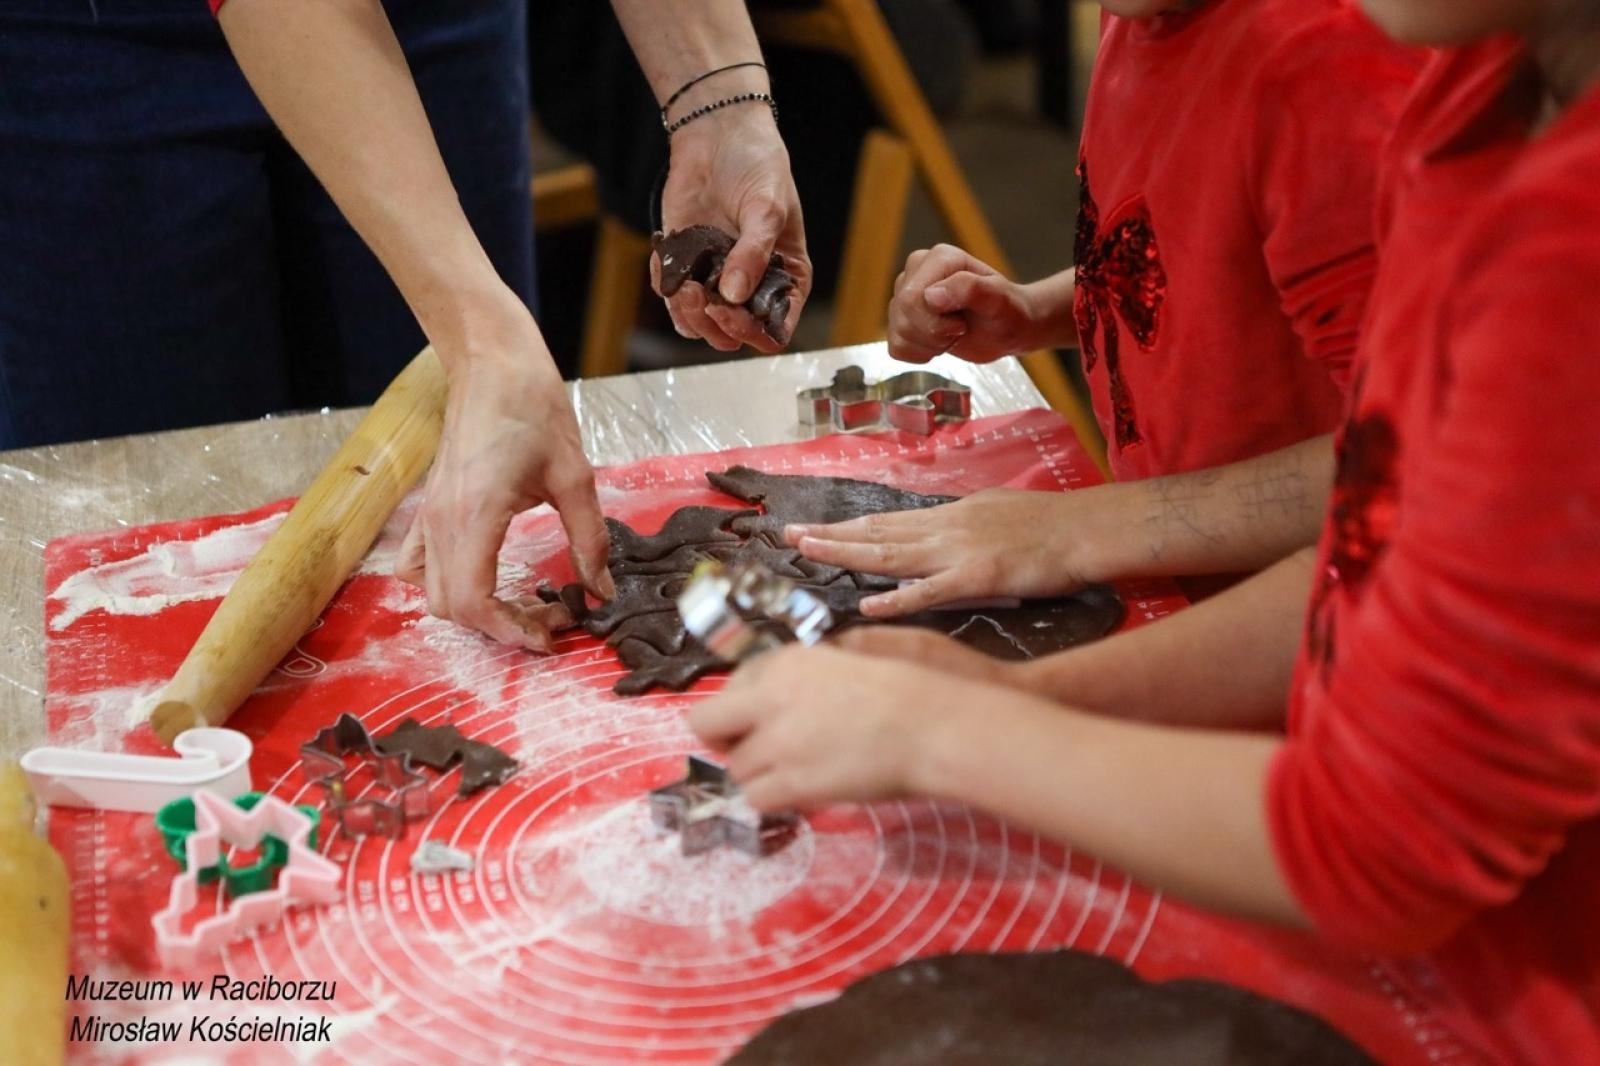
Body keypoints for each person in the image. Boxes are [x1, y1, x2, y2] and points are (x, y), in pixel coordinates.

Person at [689, 1, 1600, 1061]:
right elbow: (1370, 554)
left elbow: (1388, 840)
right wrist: (1011, 698)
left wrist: (945, 731)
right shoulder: (1478, 90)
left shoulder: (1554, 251)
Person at [0, 0, 809, 650]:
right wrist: (477, 330)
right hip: (91, 44)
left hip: (435, 21)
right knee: (146, 569)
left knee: (460, 497)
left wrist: (720, 105)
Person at [799, 0, 1420, 619]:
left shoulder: (1324, 69)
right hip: (1170, 569)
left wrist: (1075, 530)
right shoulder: (1136, 16)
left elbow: (1408, 465)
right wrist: (1032, 312)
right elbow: (1193, 267)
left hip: (1307, 616)